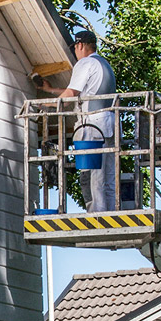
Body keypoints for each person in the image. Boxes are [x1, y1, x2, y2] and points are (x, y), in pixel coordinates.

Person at [39, 29, 117, 212]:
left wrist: (48, 105)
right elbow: (81, 91)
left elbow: (71, 94)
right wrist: (51, 90)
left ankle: (97, 216)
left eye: (75, 48)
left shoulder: (85, 63)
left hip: (92, 125)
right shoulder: (104, 64)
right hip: (110, 123)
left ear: (80, 45)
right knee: (108, 174)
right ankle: (111, 212)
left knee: (91, 174)